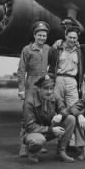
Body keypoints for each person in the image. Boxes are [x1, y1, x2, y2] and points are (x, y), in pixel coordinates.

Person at [23, 74, 76, 163]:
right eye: (46, 88)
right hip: (33, 132)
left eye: (51, 88)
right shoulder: (29, 102)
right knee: (38, 140)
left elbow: (65, 109)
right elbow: (30, 126)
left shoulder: (53, 96)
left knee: (70, 119)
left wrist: (60, 115)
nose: (49, 91)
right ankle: (32, 152)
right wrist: (51, 130)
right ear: (39, 89)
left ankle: (61, 151)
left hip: (49, 128)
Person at [17, 21, 50, 157]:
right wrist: (21, 89)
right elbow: (21, 70)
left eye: (44, 35)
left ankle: (39, 144)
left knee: (41, 115)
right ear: (34, 35)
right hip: (31, 84)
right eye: (39, 35)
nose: (42, 38)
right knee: (27, 116)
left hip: (42, 86)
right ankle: (23, 146)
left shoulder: (48, 48)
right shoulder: (27, 49)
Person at [48, 25, 83, 108]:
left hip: (72, 81)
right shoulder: (57, 48)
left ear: (77, 38)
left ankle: (71, 121)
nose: (72, 40)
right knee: (56, 106)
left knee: (74, 107)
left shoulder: (79, 51)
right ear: (65, 36)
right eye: (70, 37)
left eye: (74, 38)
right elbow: (49, 62)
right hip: (58, 80)